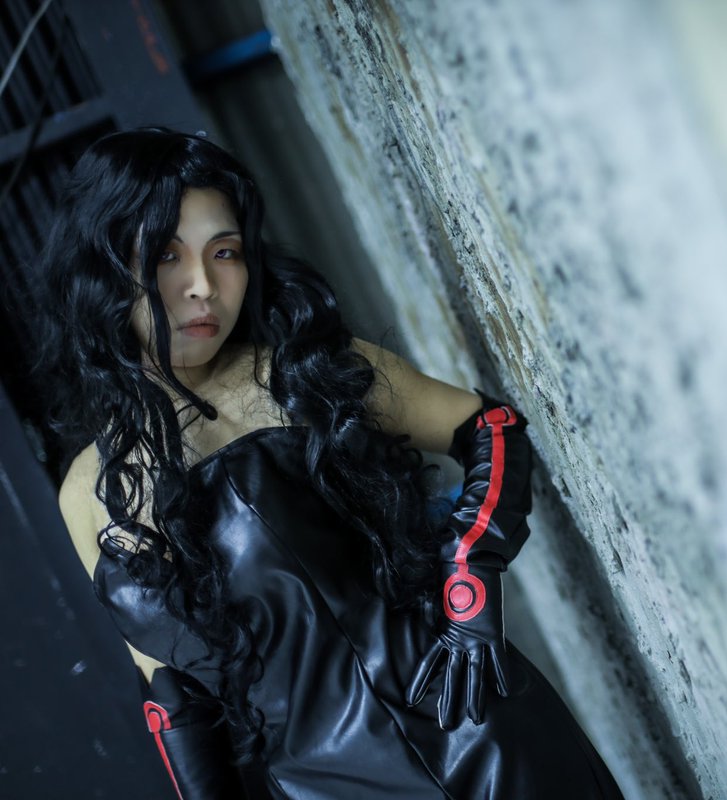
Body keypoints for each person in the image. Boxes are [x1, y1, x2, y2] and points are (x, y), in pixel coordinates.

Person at [41, 128, 622, 799]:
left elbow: (491, 427)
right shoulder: (89, 492)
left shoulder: (307, 372)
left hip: (484, 736)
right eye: (166, 255)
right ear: (105, 268)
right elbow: (173, 699)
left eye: (225, 252)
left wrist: (471, 577)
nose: (202, 285)